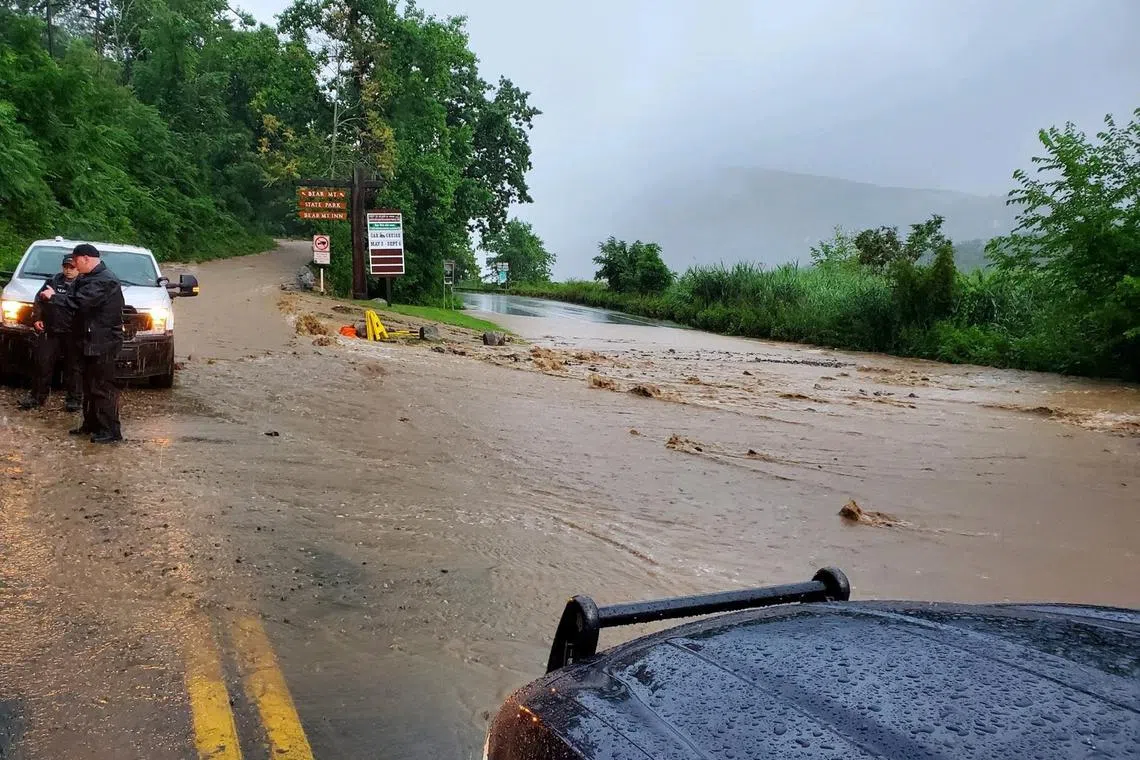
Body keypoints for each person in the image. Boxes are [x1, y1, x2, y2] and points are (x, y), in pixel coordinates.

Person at [40, 243, 125, 443]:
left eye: (76, 261)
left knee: (102, 387)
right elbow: (71, 299)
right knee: (88, 386)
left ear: (86, 258)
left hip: (103, 341)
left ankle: (111, 431)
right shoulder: (87, 277)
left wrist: (54, 297)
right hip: (86, 340)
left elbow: (79, 302)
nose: (74, 266)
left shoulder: (105, 280)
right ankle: (91, 425)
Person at [18, 255, 82, 412]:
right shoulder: (53, 281)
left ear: (78, 269)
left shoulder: (83, 284)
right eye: (66, 267)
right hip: (51, 329)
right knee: (42, 363)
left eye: (72, 267)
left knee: (74, 368)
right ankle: (36, 397)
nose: (68, 270)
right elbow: (39, 300)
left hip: (73, 332)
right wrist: (37, 318)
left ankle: (74, 400)